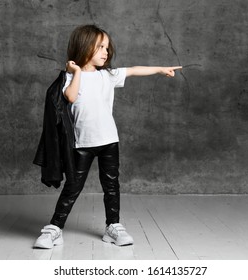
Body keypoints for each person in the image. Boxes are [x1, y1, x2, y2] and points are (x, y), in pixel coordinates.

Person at [34, 24, 182, 249]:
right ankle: (54, 228)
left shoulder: (108, 75)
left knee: (111, 185)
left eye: (107, 47)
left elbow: (133, 70)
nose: (106, 52)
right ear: (84, 47)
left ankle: (113, 226)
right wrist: (76, 73)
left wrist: (161, 68)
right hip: (83, 144)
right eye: (100, 47)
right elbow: (71, 98)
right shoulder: (69, 77)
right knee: (73, 186)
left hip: (109, 141)